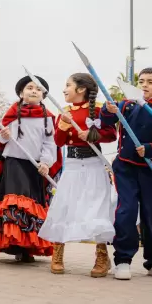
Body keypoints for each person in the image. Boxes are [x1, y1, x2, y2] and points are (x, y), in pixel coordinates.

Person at [39, 73, 117, 276]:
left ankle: (101, 255)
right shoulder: (64, 112)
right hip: (72, 164)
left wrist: (92, 135)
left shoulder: (99, 109)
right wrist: (63, 125)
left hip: (94, 164)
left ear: (81, 89)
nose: (64, 89)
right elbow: (59, 141)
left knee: (96, 208)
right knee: (64, 205)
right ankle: (58, 252)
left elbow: (111, 134)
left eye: (68, 85)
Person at [100, 67, 152, 280]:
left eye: (150, 82)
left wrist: (150, 149)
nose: (144, 85)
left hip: (149, 169)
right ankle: (122, 260)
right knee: (127, 211)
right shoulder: (126, 105)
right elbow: (106, 121)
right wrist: (108, 110)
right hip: (125, 168)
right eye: (141, 81)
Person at [0, 75, 60, 261]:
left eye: (38, 88)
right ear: (21, 93)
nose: (34, 90)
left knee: (32, 205)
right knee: (16, 202)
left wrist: (45, 162)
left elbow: (50, 144)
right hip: (14, 162)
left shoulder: (49, 118)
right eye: (29, 87)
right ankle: (14, 244)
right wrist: (3, 135)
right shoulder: (13, 112)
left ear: (43, 95)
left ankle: (28, 247)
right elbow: (1, 140)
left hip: (35, 166)